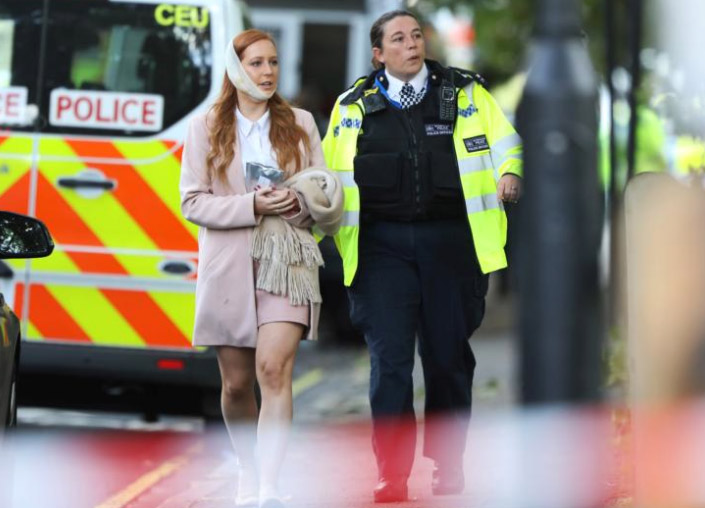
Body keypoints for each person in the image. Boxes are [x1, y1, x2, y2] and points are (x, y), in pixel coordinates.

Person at [322, 10, 523, 503]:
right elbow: (325, 177)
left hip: (451, 245)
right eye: (398, 38)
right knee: (389, 364)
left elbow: (507, 144)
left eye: (416, 35)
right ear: (378, 53)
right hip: (380, 251)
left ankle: (448, 463)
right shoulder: (351, 107)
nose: (411, 44)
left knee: (448, 359)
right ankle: (391, 472)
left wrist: (510, 173)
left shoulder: (466, 94)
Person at [179, 29, 333, 508]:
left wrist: (300, 204)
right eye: (257, 64)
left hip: (288, 261)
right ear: (235, 68)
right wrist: (251, 204)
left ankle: (268, 488)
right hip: (229, 264)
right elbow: (192, 202)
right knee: (237, 384)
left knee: (273, 369)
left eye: (273, 63)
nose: (268, 73)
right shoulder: (206, 126)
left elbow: (328, 199)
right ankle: (248, 467)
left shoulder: (301, 123)